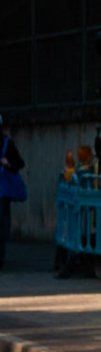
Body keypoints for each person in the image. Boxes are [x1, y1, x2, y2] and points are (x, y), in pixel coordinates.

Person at [0, 115, 23, 272]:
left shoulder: (6, 143)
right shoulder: (7, 142)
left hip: (2, 191)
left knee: (2, 225)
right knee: (2, 225)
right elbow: (19, 163)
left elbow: (19, 163)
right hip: (2, 193)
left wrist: (7, 163)